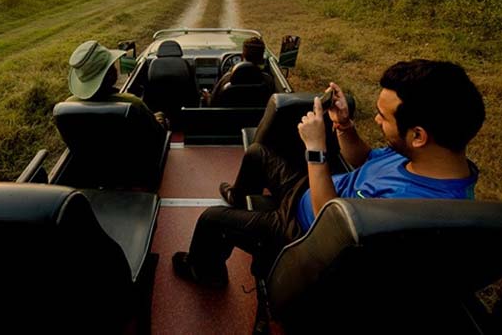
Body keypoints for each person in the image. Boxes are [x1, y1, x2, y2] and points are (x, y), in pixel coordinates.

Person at [173, 59, 485, 288]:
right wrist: (344, 125)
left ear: (417, 135)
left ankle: (205, 271)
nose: (376, 121)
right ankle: (239, 195)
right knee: (257, 153)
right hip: (316, 191)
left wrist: (316, 149)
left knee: (212, 220)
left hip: (304, 230)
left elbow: (328, 225)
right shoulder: (421, 155)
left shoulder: (412, 206)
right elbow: (365, 160)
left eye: (383, 116)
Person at [67, 40, 168, 128]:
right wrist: (159, 117)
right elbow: (157, 134)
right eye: (112, 66)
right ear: (110, 75)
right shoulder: (132, 104)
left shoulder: (69, 106)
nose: (115, 68)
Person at [203, 36, 274, 106]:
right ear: (261, 58)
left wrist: (207, 96)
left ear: (243, 55)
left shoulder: (227, 78)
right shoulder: (268, 80)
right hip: (258, 117)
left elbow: (212, 103)